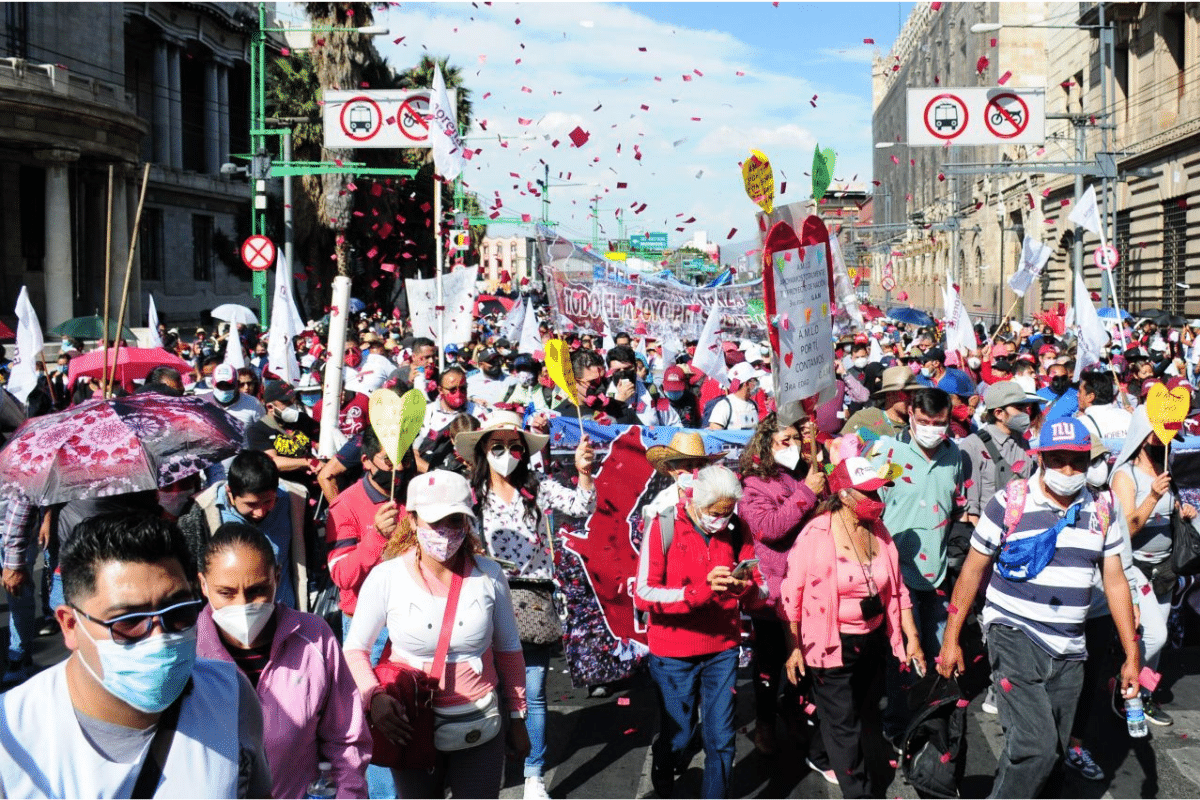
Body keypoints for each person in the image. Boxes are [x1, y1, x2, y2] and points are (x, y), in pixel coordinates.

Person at [0, 511, 272, 797]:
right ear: (70, 625)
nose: (160, 637)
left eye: (178, 612)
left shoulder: (229, 694)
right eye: (128, 621)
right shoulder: (11, 737)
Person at [938, 418, 1141, 799]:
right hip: (1014, 635)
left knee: (1051, 755)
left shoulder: (1101, 508)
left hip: (1069, 649)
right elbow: (971, 572)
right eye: (1057, 459)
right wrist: (951, 639)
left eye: (1077, 461)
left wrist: (1132, 653)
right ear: (1041, 458)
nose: (1068, 470)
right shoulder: (1008, 503)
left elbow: (1114, 581)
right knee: (1038, 747)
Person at [346, 470, 530, 799]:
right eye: (435, 521)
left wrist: (517, 717)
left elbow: (509, 651)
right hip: (411, 725)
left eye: (456, 521)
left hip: (481, 724)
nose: (445, 532)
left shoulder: (489, 574)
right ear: (412, 520)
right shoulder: (386, 576)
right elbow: (355, 650)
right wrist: (374, 698)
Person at [456, 410, 596, 800]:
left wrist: (585, 472)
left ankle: (533, 773)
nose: (507, 453)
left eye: (514, 446)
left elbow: (582, 506)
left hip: (533, 600)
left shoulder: (538, 487)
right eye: (497, 446)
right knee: (487, 689)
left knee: (531, 691)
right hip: (483, 596)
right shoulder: (468, 493)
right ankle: (493, 762)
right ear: (484, 449)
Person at [782, 457, 924, 798]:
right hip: (828, 641)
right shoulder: (816, 533)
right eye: (869, 494)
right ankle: (859, 792)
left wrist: (913, 638)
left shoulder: (879, 530)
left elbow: (898, 588)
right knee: (845, 726)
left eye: (880, 493)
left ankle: (818, 753)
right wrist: (793, 648)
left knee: (850, 710)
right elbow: (791, 593)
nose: (878, 501)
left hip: (871, 639)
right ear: (845, 495)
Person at [197, 523, 370, 797]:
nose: (243, 606)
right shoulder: (188, 654)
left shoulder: (314, 638)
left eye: (257, 590)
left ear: (277, 577)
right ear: (203, 585)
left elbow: (346, 738)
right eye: (226, 593)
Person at [634, 465, 764, 799]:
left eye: (728, 512)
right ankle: (663, 780)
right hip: (673, 652)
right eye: (714, 513)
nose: (721, 519)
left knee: (721, 739)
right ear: (694, 501)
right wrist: (698, 592)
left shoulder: (737, 528)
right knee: (678, 734)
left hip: (722, 648)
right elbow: (644, 594)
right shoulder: (663, 525)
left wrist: (742, 587)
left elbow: (758, 590)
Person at [867, 387, 964, 743]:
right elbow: (865, 506)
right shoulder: (884, 451)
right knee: (903, 659)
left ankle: (929, 721)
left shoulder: (955, 456)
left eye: (939, 424)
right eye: (924, 422)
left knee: (938, 656)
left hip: (937, 573)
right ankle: (897, 726)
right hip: (895, 573)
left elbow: (955, 506)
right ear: (910, 416)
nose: (931, 430)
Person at [738, 411, 826, 757]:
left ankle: (791, 708)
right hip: (775, 588)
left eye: (795, 439)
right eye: (783, 441)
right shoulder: (753, 483)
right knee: (771, 662)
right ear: (766, 444)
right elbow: (768, 528)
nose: (792, 446)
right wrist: (806, 492)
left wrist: (815, 469)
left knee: (805, 658)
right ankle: (764, 724)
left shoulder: (803, 470)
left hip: (810, 583)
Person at [1110, 405, 1194, 726]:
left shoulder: (1166, 473)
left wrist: (1181, 510)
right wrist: (1152, 498)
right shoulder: (1125, 475)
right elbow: (1125, 529)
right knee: (1155, 636)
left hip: (1164, 570)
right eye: (1160, 438)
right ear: (1143, 436)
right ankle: (1124, 686)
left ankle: (1141, 696)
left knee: (1154, 643)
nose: (1166, 443)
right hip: (1135, 570)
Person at [178, 450, 311, 611]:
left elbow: (311, 558)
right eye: (251, 504)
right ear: (230, 492)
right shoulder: (201, 513)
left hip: (286, 616)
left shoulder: (295, 501)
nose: (260, 512)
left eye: (268, 501)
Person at [416, 367, 486, 473]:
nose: (458, 394)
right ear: (440, 390)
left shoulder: (479, 412)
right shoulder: (426, 413)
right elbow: (414, 454)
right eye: (452, 390)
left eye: (463, 388)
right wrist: (438, 474)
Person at [841, 365, 921, 439]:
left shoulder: (921, 424)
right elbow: (838, 446)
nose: (912, 397)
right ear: (890, 394)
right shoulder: (865, 418)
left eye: (915, 392)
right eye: (907, 392)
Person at [207, 364, 265, 444]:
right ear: (213, 384)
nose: (224, 389)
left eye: (228, 385)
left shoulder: (253, 403)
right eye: (220, 385)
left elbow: (263, 433)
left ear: (237, 384)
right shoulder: (203, 402)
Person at [705, 363, 761, 431]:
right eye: (755, 380)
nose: (757, 383)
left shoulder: (753, 404)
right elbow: (716, 435)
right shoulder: (724, 406)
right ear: (746, 384)